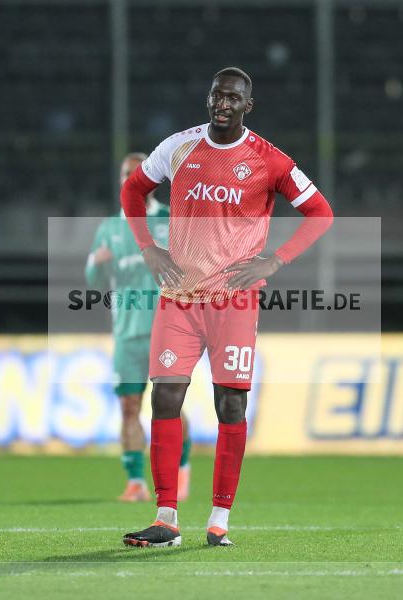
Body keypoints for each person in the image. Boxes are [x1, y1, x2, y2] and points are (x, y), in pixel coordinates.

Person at [120, 67, 333, 547]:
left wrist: (275, 261)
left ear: (247, 106)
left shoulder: (268, 160)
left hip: (234, 302)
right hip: (179, 297)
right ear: (209, 97)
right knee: (166, 398)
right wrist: (148, 248)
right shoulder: (178, 147)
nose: (223, 103)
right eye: (217, 94)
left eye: (233, 97)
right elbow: (133, 190)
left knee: (230, 404)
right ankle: (167, 517)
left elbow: (321, 213)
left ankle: (219, 520)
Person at [85, 153, 192, 503]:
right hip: (128, 335)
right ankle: (135, 483)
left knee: (171, 406)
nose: (130, 179)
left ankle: (182, 471)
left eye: (137, 174)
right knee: (129, 407)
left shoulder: (170, 219)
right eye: (125, 174)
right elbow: (92, 278)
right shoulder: (110, 229)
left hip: (168, 329)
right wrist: (97, 266)